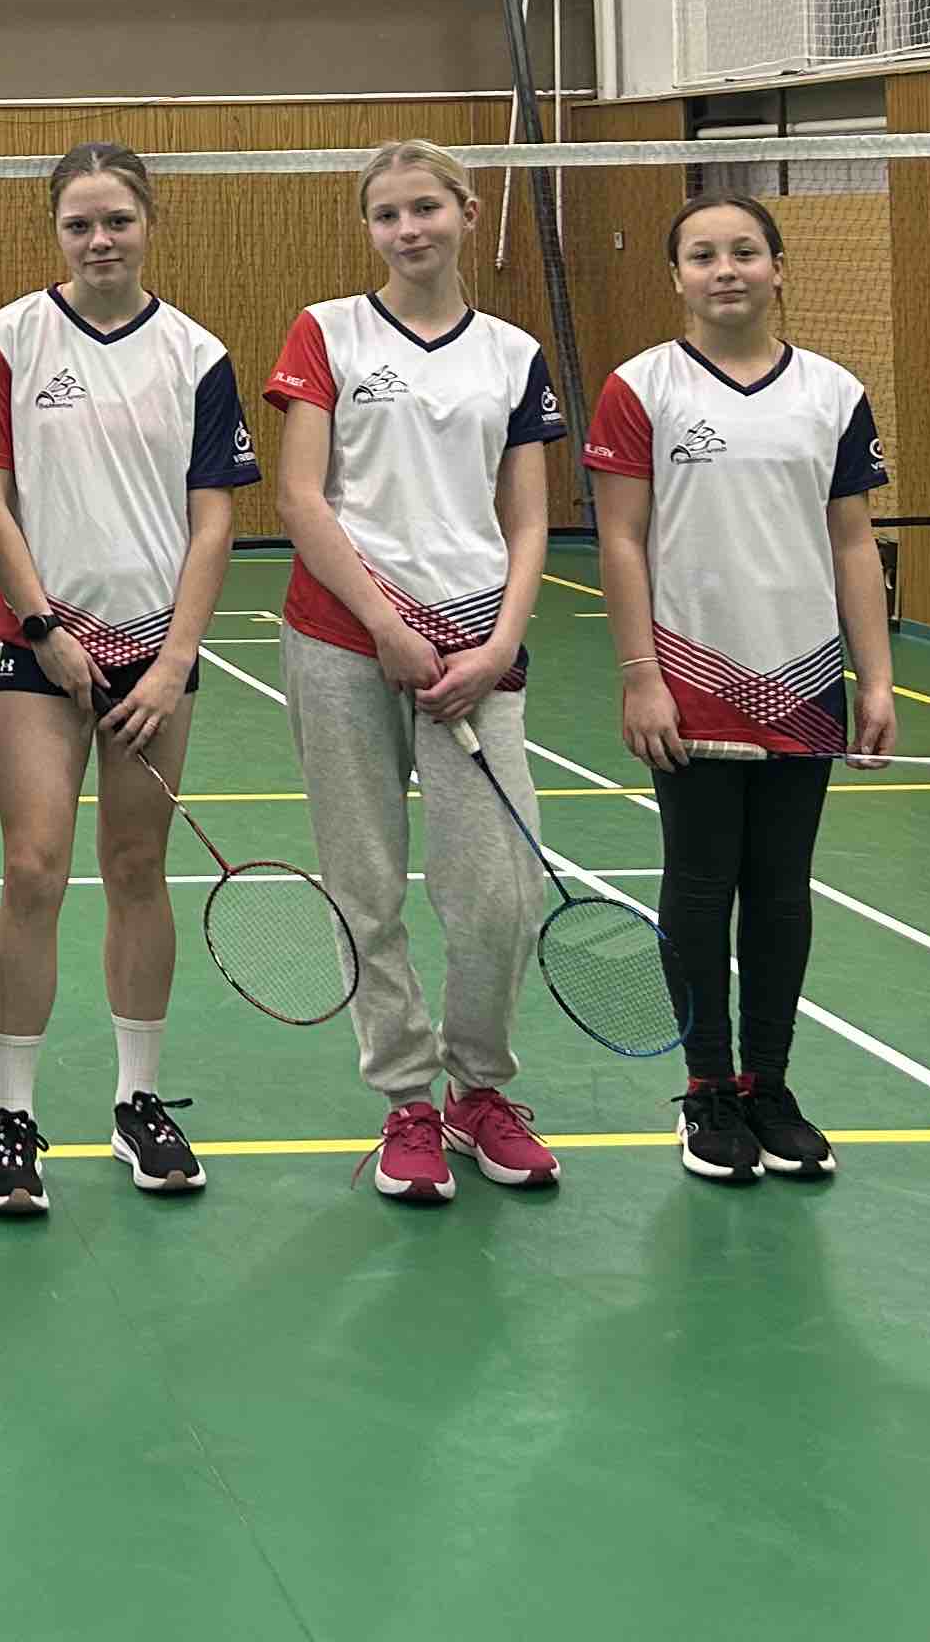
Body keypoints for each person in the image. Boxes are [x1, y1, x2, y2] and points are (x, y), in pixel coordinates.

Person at [0, 140, 259, 1215]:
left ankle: (139, 1101)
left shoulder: (196, 354)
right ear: (56, 232)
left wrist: (174, 662)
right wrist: (43, 625)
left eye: (117, 220)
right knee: (32, 870)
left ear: (148, 223)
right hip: (44, 651)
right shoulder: (6, 341)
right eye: (79, 224)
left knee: (137, 868)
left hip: (155, 659)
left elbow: (213, 520)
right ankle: (12, 1114)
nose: (99, 241)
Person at [264, 141, 566, 1205]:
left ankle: (481, 1090)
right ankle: (405, 1098)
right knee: (366, 884)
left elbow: (529, 518)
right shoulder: (328, 331)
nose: (409, 229)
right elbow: (300, 498)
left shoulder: (513, 354)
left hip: (476, 649)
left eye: (427, 207)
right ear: (370, 229)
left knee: (500, 892)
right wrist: (384, 623)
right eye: (388, 214)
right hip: (344, 641)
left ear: (468, 213)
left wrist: (501, 643)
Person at [584, 192, 895, 1187]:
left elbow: (853, 542)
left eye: (746, 252)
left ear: (778, 267)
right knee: (700, 880)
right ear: (676, 277)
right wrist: (641, 676)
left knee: (781, 889)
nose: (727, 270)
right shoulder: (641, 388)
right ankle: (707, 1090)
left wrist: (876, 675)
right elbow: (621, 539)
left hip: (804, 677)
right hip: (691, 678)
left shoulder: (833, 393)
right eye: (704, 255)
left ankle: (769, 1085)